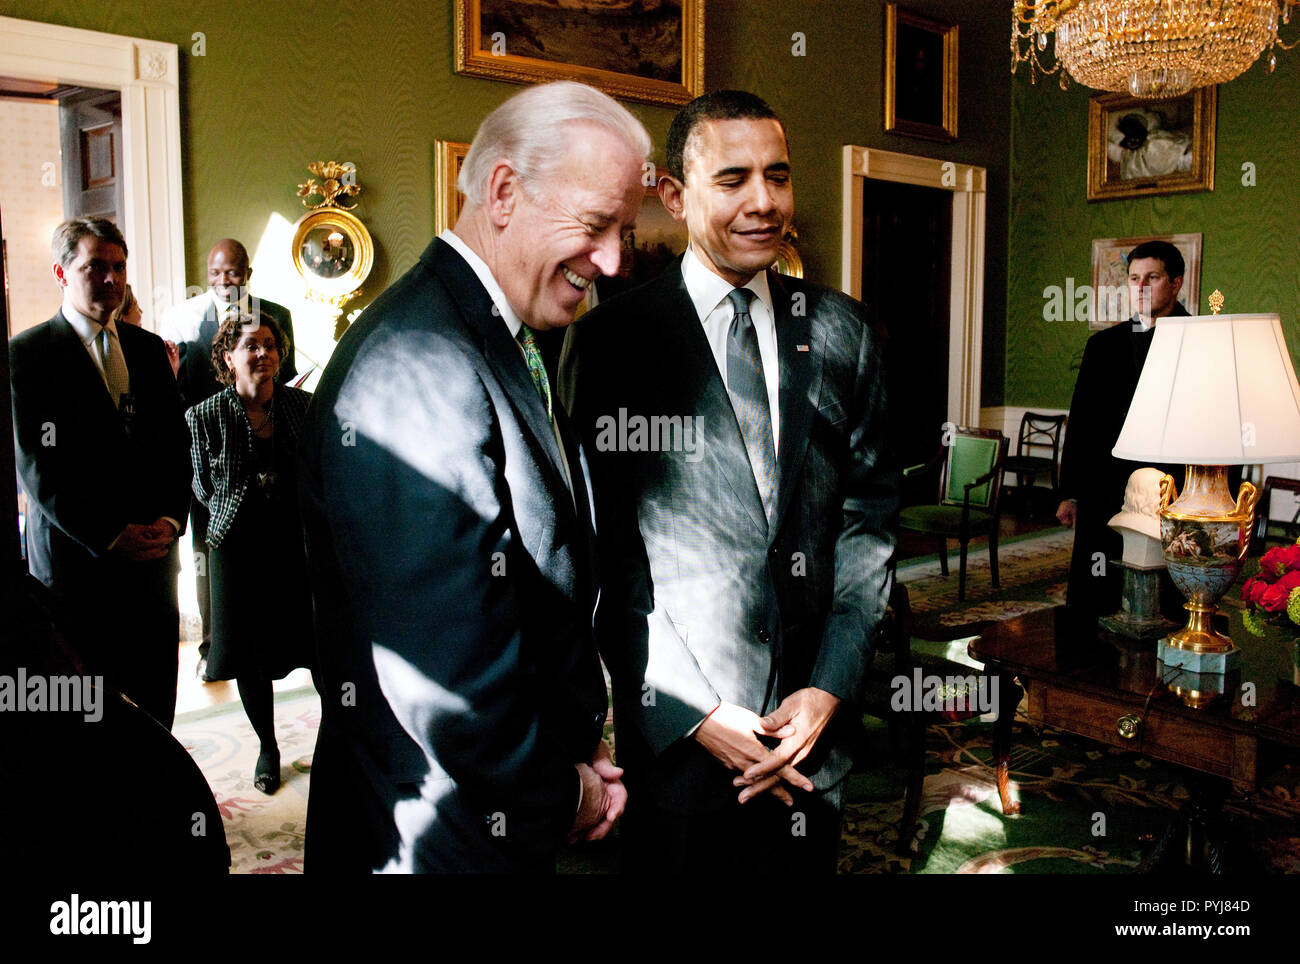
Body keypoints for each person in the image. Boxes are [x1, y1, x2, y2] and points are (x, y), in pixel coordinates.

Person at [299, 80, 649, 873]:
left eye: (623, 232)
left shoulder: (501, 333)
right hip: (437, 836)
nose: (613, 260)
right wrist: (571, 795)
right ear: (501, 192)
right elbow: (448, 683)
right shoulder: (418, 364)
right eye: (596, 225)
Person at [563, 89, 899, 873]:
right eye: (734, 179)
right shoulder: (612, 342)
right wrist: (695, 711)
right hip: (686, 750)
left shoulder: (842, 330)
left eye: (778, 177)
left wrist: (828, 690)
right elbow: (606, 554)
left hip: (811, 743)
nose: (764, 202)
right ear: (675, 196)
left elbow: (867, 520)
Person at [10, 217, 191, 729]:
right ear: (61, 273)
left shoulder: (150, 351)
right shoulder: (26, 356)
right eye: (95, 267)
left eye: (119, 267)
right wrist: (110, 534)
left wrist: (170, 520)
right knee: (88, 716)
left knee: (154, 699)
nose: (112, 279)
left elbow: (174, 448)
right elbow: (37, 467)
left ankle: (158, 796)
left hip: (153, 561)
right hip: (78, 566)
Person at [186, 314, 316, 794]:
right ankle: (268, 746)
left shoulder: (303, 406)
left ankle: (337, 741)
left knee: (317, 647)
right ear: (228, 358)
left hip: (296, 543)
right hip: (239, 548)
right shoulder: (205, 415)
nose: (263, 354)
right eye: (251, 346)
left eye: (270, 345)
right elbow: (203, 488)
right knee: (251, 656)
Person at [161, 239, 297, 682]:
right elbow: (175, 389)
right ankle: (214, 645)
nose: (223, 281)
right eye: (216, 273)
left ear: (248, 273)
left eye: (233, 273)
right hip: (209, 446)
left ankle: (281, 641)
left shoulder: (276, 313)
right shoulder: (183, 318)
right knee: (209, 552)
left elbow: (286, 377)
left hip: (266, 434)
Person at [1056, 239, 1190, 615]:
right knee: (1096, 589)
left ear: (1176, 283)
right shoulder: (1102, 346)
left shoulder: (1199, 341)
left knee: (1166, 594)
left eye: (1153, 277)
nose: (1141, 287)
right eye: (1134, 278)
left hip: (1172, 489)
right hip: (1105, 488)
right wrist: (1071, 494)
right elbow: (1081, 423)